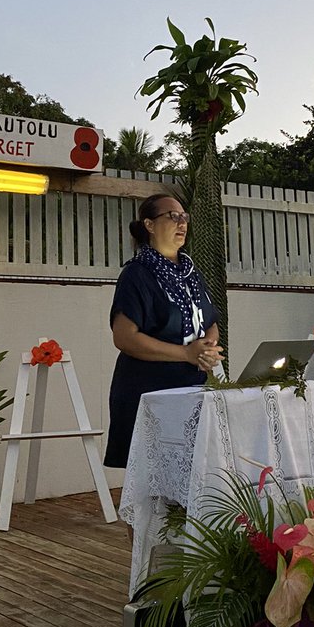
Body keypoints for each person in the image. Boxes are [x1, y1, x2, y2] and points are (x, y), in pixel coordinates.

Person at [103, 192, 224, 468]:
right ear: (149, 224)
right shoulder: (137, 274)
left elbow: (210, 322)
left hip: (191, 389)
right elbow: (124, 336)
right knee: (158, 486)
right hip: (150, 392)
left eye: (184, 217)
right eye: (172, 216)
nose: (181, 223)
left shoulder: (190, 273)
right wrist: (185, 353)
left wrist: (206, 348)